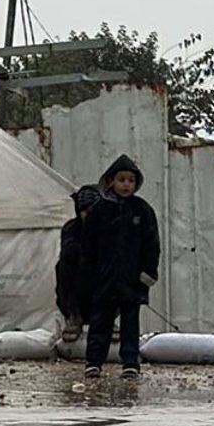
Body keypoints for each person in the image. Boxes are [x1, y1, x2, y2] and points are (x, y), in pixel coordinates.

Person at [81, 154, 160, 382]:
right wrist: (88, 273)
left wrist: (148, 273)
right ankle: (94, 362)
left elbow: (152, 244)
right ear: (111, 181)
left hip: (132, 279)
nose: (126, 185)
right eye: (121, 179)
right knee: (100, 321)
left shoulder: (142, 210)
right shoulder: (99, 211)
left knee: (130, 322)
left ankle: (130, 363)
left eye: (131, 180)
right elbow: (88, 245)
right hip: (104, 278)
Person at [54, 185, 100, 340]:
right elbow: (68, 252)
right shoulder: (71, 228)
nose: (88, 215)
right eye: (84, 211)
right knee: (62, 266)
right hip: (77, 285)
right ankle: (74, 315)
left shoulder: (108, 228)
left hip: (101, 285)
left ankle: (106, 317)